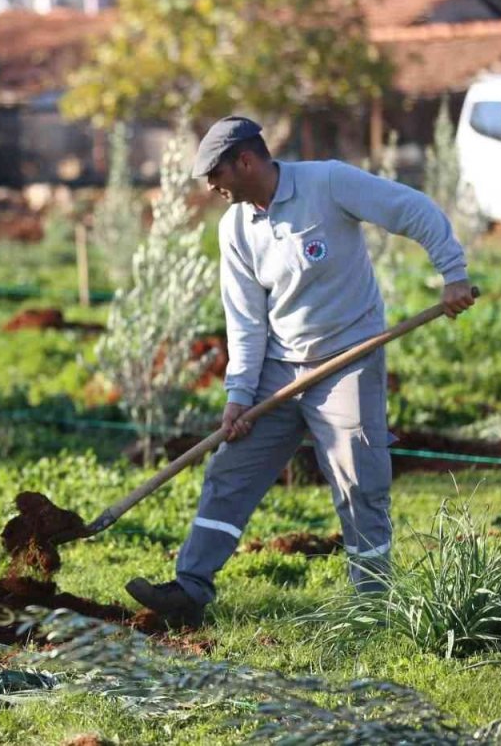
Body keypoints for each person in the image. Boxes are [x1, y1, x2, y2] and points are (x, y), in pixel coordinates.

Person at [126, 117, 476, 629]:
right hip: (278, 370)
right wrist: (240, 394)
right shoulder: (236, 227)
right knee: (230, 470)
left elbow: (410, 209)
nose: (210, 187)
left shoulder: (328, 183)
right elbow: (244, 320)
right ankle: (190, 587)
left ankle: (373, 605)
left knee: (360, 480)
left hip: (348, 359)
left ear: (246, 161)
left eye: (215, 173)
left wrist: (454, 273)